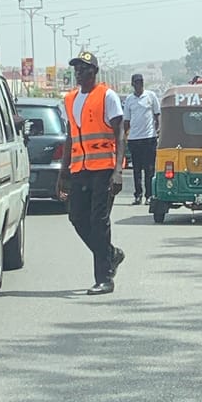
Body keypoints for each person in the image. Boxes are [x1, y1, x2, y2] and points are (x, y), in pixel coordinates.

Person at [57, 51, 126, 296]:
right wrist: (63, 172)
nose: (78, 72)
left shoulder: (107, 96)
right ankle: (110, 254)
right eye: (76, 68)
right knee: (76, 217)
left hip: (104, 169)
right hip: (79, 169)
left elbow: (120, 133)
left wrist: (118, 170)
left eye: (84, 68)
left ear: (94, 72)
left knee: (99, 222)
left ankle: (104, 278)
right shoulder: (70, 99)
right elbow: (70, 137)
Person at [123, 73, 161, 204]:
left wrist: (158, 130)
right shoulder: (129, 100)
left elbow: (157, 115)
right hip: (134, 139)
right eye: (136, 83)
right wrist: (124, 135)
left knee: (150, 169)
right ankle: (138, 195)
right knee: (137, 169)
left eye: (141, 82)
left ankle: (149, 195)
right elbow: (126, 120)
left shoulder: (151, 96)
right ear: (133, 84)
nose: (139, 85)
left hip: (149, 138)